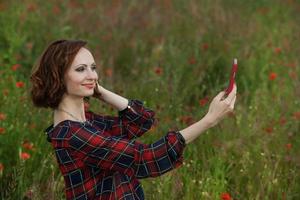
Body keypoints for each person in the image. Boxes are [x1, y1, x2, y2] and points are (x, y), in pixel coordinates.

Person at [30, 39, 237, 200]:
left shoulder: (88, 123)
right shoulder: (71, 134)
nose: (92, 75)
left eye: (93, 67)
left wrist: (100, 91)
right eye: (80, 69)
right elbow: (144, 159)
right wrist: (208, 120)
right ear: (58, 76)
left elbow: (142, 120)